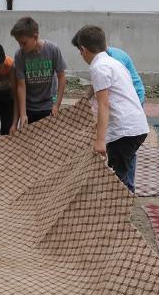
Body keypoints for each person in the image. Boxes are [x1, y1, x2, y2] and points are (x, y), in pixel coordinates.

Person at [72, 25, 149, 192]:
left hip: (124, 130)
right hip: (136, 126)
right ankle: (124, 207)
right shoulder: (113, 62)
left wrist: (100, 140)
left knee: (116, 178)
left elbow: (103, 104)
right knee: (122, 172)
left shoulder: (99, 67)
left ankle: (121, 214)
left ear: (83, 50)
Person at [10, 16, 67, 126]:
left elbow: (62, 76)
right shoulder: (19, 55)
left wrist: (57, 104)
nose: (21, 46)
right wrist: (23, 113)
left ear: (35, 37)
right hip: (30, 106)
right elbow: (21, 85)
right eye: (19, 43)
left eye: (24, 43)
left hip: (49, 104)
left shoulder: (52, 49)